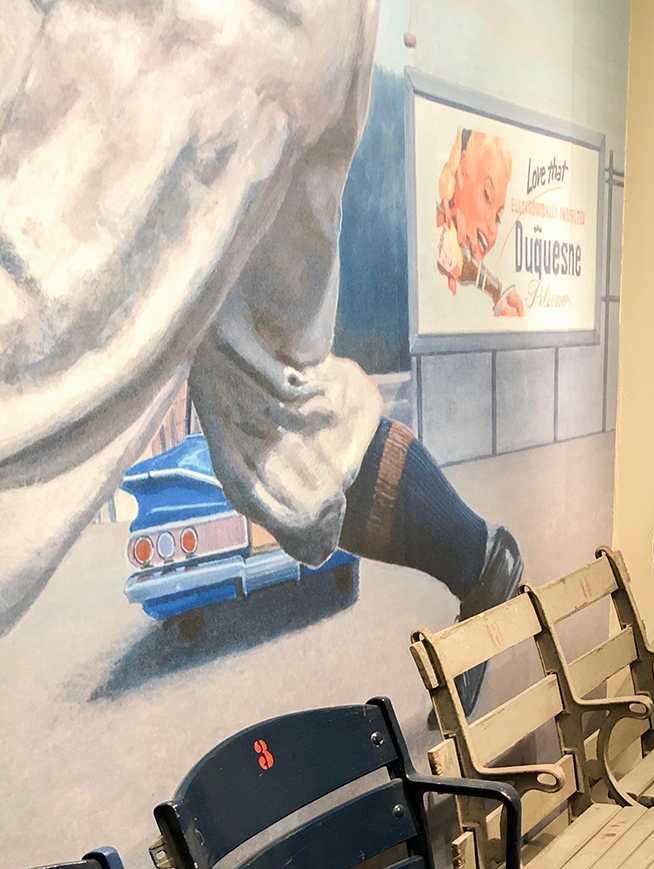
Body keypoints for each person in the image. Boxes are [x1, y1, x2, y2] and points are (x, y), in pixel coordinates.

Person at [0, 0, 521, 710]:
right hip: (304, 34)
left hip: (193, 29)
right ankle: (477, 561)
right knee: (276, 389)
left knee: (33, 357)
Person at [436, 129, 525, 317]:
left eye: (498, 217)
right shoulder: (437, 229)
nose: (492, 227)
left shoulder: (466, 268)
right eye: (487, 196)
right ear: (460, 173)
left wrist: (508, 313)